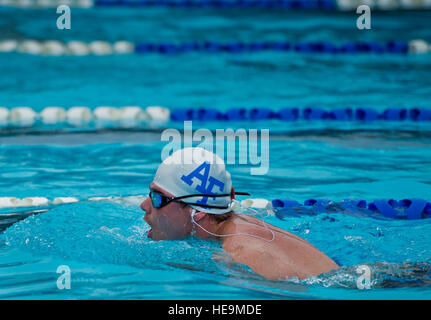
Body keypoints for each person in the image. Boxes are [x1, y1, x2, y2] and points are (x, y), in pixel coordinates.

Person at [140, 147, 339, 281]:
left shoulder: (242, 256)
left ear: (198, 210)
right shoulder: (240, 225)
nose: (144, 205)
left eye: (158, 198)